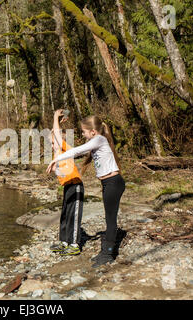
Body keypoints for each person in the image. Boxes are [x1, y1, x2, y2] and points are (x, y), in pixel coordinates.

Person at [46, 115, 125, 268]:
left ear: (93, 131)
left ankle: (108, 253)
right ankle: (105, 252)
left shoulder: (100, 139)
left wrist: (55, 159)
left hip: (114, 183)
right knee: (109, 219)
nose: (82, 134)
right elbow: (74, 148)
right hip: (108, 183)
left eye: (83, 132)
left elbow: (76, 150)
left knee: (110, 220)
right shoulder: (96, 142)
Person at [48, 109, 84, 256]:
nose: (51, 146)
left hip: (75, 184)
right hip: (67, 185)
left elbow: (56, 135)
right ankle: (64, 241)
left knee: (74, 215)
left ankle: (74, 244)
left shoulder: (64, 148)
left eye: (52, 143)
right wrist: (56, 124)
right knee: (65, 214)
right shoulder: (57, 152)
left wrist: (55, 116)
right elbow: (54, 133)